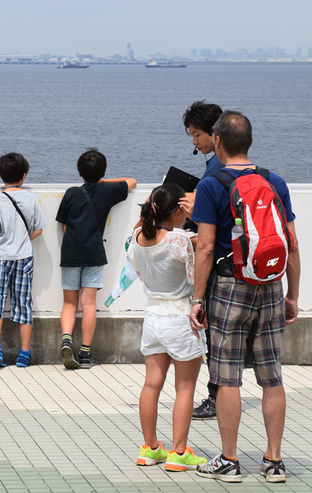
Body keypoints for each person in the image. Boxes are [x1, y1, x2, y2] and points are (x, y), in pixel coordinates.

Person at [189, 110, 300, 484]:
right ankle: (274, 461)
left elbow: (205, 248)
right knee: (272, 377)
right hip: (270, 286)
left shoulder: (211, 185)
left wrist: (197, 299)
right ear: (249, 141)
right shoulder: (274, 181)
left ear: (217, 141)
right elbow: (292, 245)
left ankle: (230, 460)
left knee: (228, 378)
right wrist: (293, 295)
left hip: (230, 287)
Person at [131, 184, 207, 473]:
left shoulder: (137, 237)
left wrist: (153, 202)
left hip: (152, 316)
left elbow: (141, 227)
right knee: (184, 387)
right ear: (178, 211)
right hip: (179, 316)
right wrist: (198, 213)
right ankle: (178, 452)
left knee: (152, 383)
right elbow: (209, 242)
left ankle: (149, 448)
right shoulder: (180, 240)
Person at [55, 148, 135, 369]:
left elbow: (63, 225)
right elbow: (132, 181)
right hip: (94, 254)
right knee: (89, 303)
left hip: (71, 254)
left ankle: (66, 339)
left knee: (69, 303)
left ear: (79, 172)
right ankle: (86, 354)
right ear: (102, 172)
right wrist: (103, 181)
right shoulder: (107, 192)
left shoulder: (71, 193)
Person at [0, 152, 46, 368]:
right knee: (23, 304)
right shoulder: (30, 199)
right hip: (24, 257)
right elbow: (39, 228)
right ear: (24, 176)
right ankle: (24, 353)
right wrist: (24, 239)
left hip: (0, 257)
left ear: (0, 175)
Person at [181, 100, 223, 419]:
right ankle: (220, 393)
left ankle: (215, 396)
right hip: (240, 265)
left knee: (216, 337)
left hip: (218, 265)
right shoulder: (246, 171)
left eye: (196, 135)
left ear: (214, 133)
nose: (194, 142)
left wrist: (192, 212)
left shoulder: (215, 172)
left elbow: (210, 235)